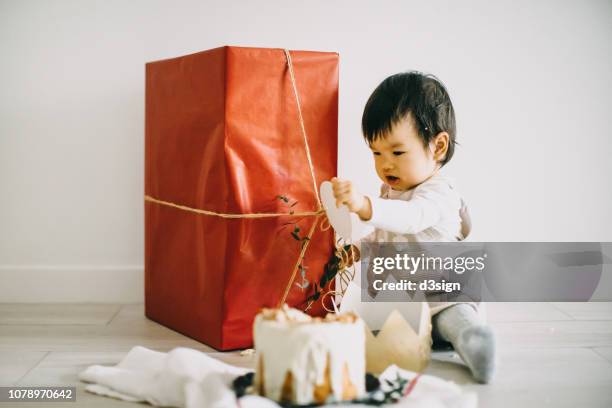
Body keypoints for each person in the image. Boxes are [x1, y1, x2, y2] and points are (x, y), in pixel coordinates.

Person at [332, 71, 495, 383]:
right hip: (407, 292)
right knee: (370, 316)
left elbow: (411, 218)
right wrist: (357, 249)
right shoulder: (392, 193)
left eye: (397, 152)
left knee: (451, 318)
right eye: (376, 153)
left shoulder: (438, 194)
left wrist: (366, 206)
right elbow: (385, 236)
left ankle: (475, 342)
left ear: (438, 147)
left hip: (441, 289)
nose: (385, 164)